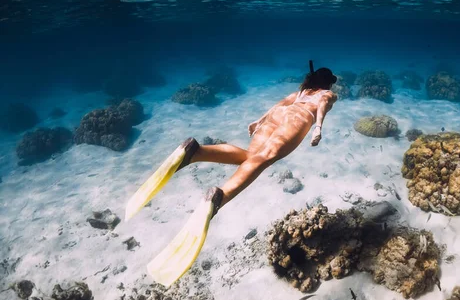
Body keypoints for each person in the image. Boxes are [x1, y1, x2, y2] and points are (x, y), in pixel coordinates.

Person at [125, 61, 338, 287]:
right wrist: (318, 128)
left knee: (250, 156)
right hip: (300, 117)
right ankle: (219, 197)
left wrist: (260, 120)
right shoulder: (327, 94)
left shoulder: (302, 91)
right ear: (327, 82)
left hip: (279, 114)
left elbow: (280, 104)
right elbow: (323, 103)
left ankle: (196, 152)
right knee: (265, 158)